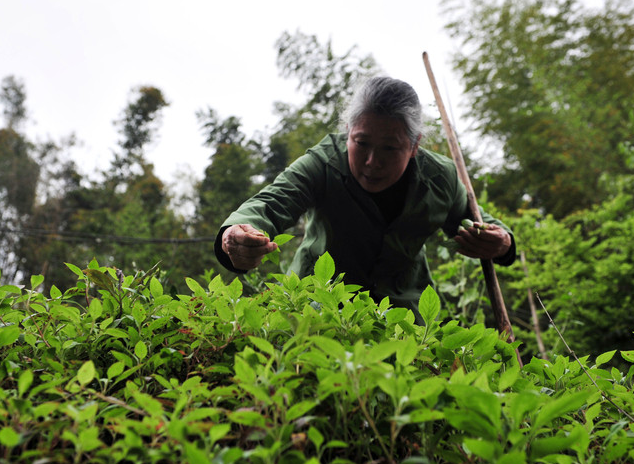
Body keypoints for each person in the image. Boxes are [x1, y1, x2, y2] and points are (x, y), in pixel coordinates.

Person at [214, 76, 515, 317]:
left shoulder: (440, 179)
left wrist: (502, 243)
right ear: (348, 133)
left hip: (402, 318)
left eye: (390, 148)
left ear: (414, 146)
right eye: (362, 143)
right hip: (315, 308)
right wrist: (235, 233)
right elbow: (271, 202)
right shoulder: (323, 163)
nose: (372, 161)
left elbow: (476, 221)